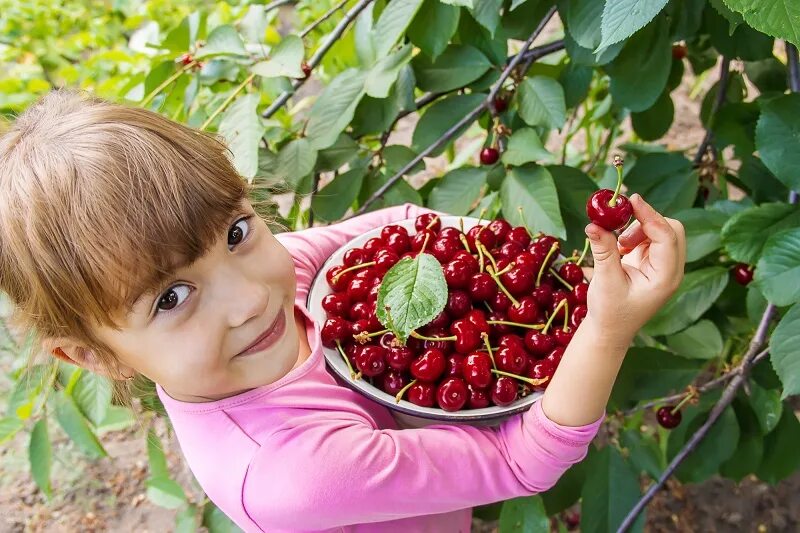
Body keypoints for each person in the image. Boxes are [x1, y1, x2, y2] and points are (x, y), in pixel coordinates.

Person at [0, 90, 685, 533]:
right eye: (171, 297)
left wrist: (536, 277)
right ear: (90, 354)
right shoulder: (290, 469)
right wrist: (604, 326)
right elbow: (518, 458)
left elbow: (404, 225)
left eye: (237, 231)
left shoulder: (274, 273)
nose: (249, 298)